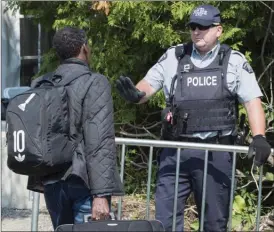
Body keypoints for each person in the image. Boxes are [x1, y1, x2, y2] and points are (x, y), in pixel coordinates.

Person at [116, 4, 271, 231]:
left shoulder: (233, 61)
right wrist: (135, 94)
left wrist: (259, 136)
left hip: (216, 153)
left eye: (203, 27)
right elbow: (147, 87)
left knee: (214, 224)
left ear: (218, 30)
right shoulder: (174, 56)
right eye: (193, 27)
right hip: (176, 150)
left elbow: (252, 101)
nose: (197, 31)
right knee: (164, 222)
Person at [27, 27, 124, 230]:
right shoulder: (94, 83)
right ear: (84, 48)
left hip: (52, 181)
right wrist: (100, 195)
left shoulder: (42, 84)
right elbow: (99, 141)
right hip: (84, 183)